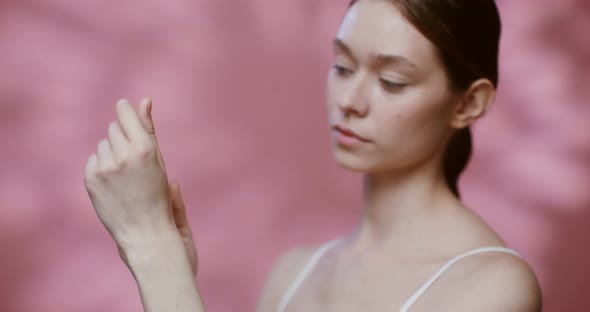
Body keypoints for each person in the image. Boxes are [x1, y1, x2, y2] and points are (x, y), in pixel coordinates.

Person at [84, 0, 543, 311]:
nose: (350, 100)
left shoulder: (492, 287)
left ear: (469, 104)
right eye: (342, 66)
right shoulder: (293, 273)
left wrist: (154, 251)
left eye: (392, 82)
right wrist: (174, 270)